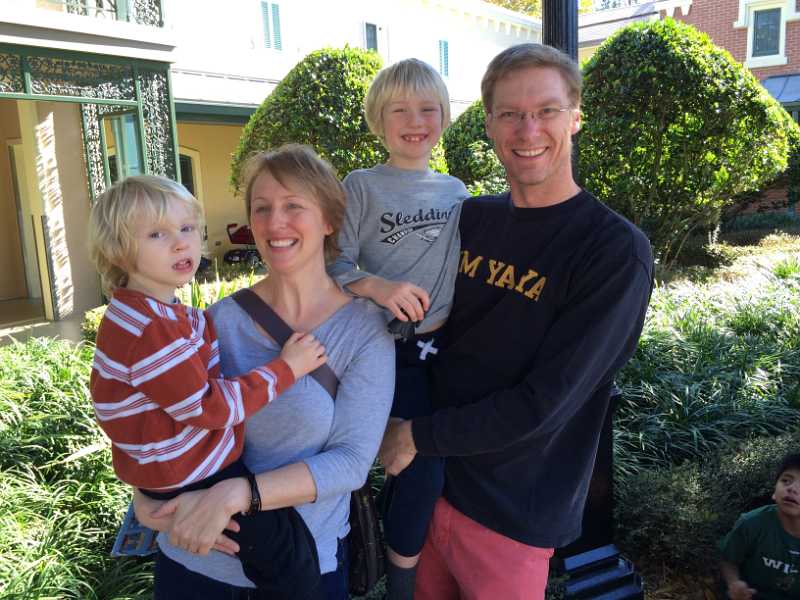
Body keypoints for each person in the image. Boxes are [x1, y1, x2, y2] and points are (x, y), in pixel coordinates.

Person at [379, 43, 654, 600]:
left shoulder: (612, 250)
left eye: (547, 110)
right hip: (428, 487)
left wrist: (413, 436)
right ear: (488, 124)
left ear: (575, 118)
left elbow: (546, 402)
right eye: (510, 113)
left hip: (509, 515)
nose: (528, 130)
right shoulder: (469, 218)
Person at [132, 145, 395, 600]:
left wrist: (239, 494)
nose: (276, 223)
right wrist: (146, 497)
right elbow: (160, 420)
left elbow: (351, 461)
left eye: (294, 206)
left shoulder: (362, 332)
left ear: (328, 220)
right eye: (262, 208)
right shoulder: (215, 321)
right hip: (195, 560)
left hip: (300, 566)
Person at [88, 175, 327, 598]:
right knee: (293, 564)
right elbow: (209, 407)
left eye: (186, 228)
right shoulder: (150, 329)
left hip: (179, 469)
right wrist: (288, 368)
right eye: (157, 234)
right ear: (119, 250)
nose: (180, 243)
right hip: (194, 471)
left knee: (283, 549)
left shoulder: (151, 312)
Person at [327, 57, 468, 600]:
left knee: (424, 463)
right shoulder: (361, 186)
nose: (415, 121)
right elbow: (333, 264)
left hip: (443, 348)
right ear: (377, 121)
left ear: (444, 117)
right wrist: (378, 286)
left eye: (428, 109)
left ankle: (405, 566)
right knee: (412, 462)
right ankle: (395, 581)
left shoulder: (456, 191)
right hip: (384, 348)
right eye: (399, 110)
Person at [719, 453, 800, 600]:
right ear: (774, 492)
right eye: (786, 481)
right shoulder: (751, 523)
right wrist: (734, 583)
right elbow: (728, 560)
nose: (792, 488)